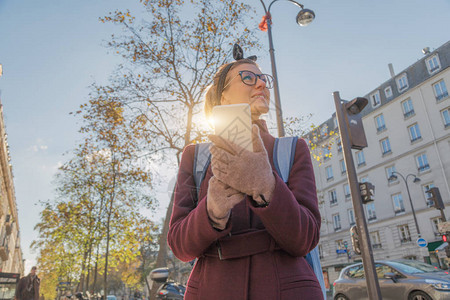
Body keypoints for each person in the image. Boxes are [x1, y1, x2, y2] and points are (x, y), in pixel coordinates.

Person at [168, 45, 322, 299]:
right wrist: (212, 211)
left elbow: (306, 238)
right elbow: (180, 246)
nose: (261, 84)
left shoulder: (293, 149)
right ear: (222, 96)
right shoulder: (194, 157)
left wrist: (266, 186)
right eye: (248, 78)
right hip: (211, 290)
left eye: (263, 79)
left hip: (288, 289)